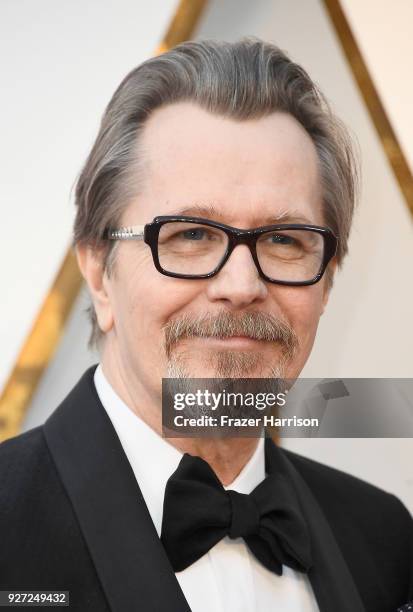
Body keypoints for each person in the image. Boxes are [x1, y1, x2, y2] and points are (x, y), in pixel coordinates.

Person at [0, 38, 412, 612]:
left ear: (328, 279)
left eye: (283, 240)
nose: (241, 287)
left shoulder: (385, 538)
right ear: (98, 271)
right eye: (191, 234)